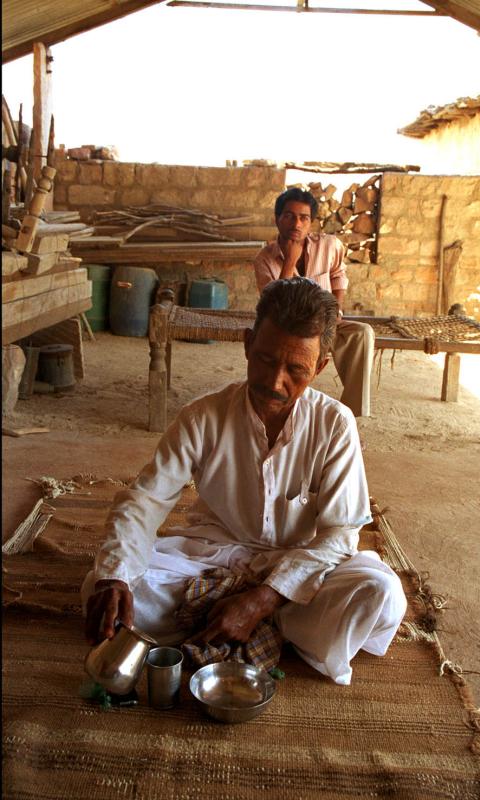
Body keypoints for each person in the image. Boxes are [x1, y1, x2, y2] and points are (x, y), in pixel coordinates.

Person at [82, 278, 406, 685]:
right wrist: (115, 577)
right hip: (214, 556)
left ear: (321, 366)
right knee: (103, 585)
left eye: (295, 370)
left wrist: (264, 597)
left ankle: (244, 619)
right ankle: (280, 631)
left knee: (380, 593)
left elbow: (340, 535)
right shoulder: (203, 416)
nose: (275, 382)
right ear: (248, 344)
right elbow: (145, 500)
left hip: (300, 566)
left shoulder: (334, 425)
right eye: (267, 360)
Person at [253, 187, 375, 417]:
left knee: (362, 333)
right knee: (289, 359)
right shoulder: (264, 259)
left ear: (311, 223)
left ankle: (349, 416)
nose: (296, 224)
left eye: (303, 218)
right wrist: (290, 261)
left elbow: (339, 274)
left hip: (326, 324)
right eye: (289, 216)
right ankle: (289, 414)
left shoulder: (329, 245)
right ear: (277, 219)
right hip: (288, 332)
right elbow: (272, 302)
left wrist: (336, 309)